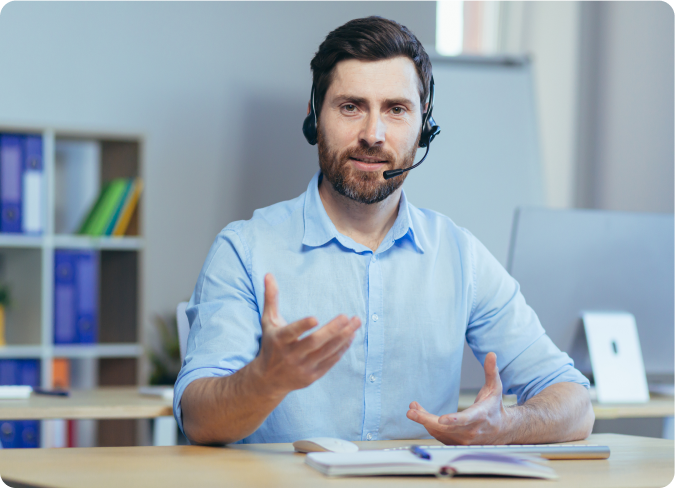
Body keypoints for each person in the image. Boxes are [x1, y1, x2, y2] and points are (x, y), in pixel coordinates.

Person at [175, 16, 594, 446]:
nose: (372, 135)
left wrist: (506, 426)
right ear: (315, 116)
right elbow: (200, 419)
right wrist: (265, 380)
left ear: (424, 125)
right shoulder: (245, 249)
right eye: (351, 106)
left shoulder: (460, 256)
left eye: (396, 109)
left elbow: (575, 404)